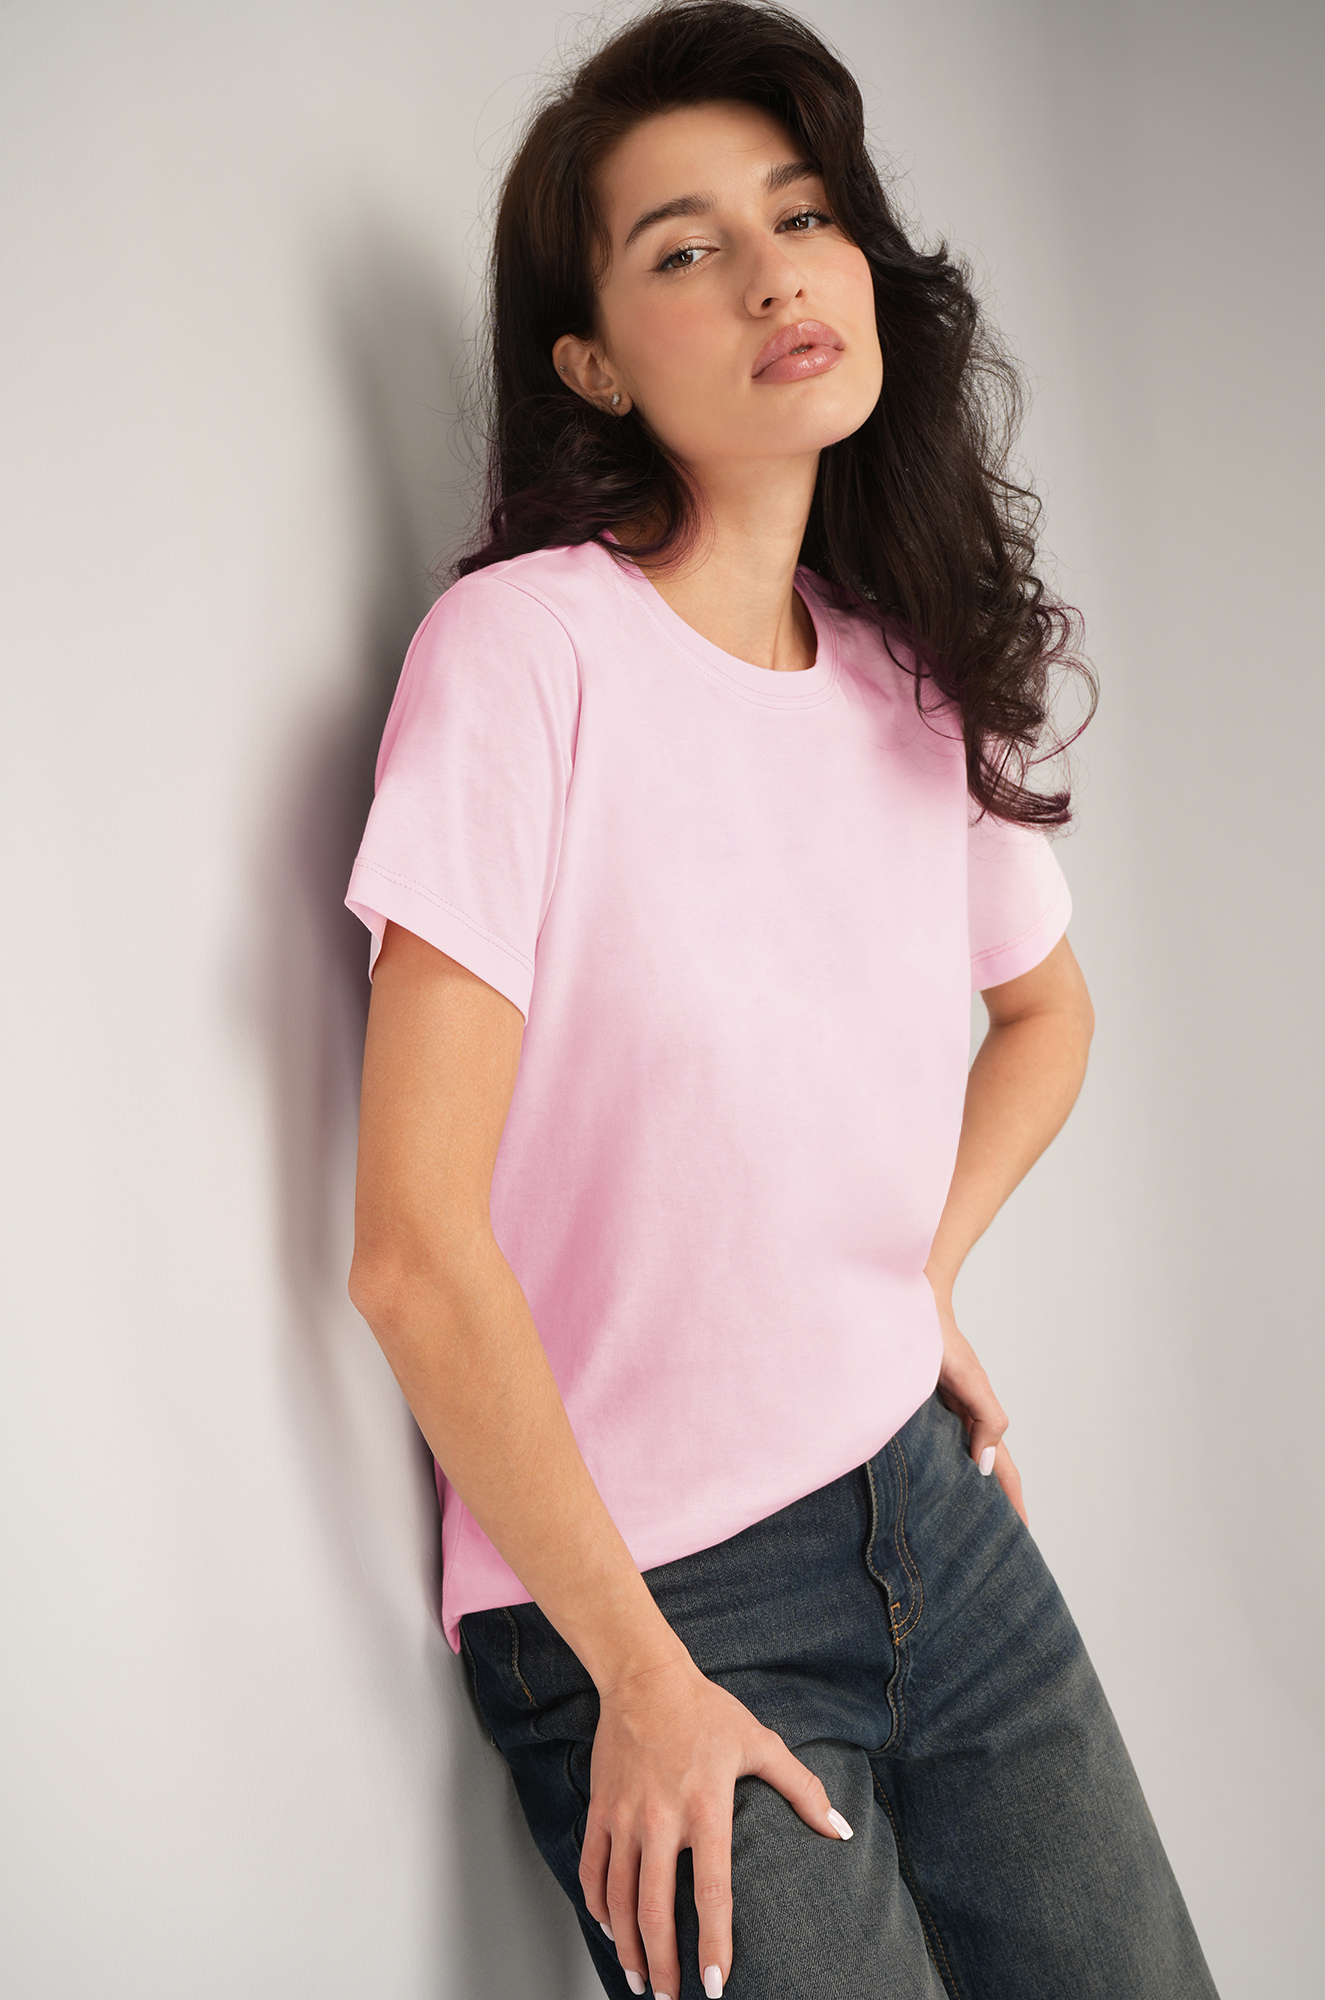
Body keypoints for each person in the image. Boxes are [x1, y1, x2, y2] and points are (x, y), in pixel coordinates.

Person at [345, 4, 1219, 1995]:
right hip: (651, 1594)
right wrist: (638, 1677)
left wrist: (913, 1280)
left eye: (801, 214)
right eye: (686, 247)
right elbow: (411, 1255)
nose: (770, 273)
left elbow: (1048, 1014)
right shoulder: (521, 658)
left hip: (929, 1510)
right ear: (590, 361)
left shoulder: (903, 677)